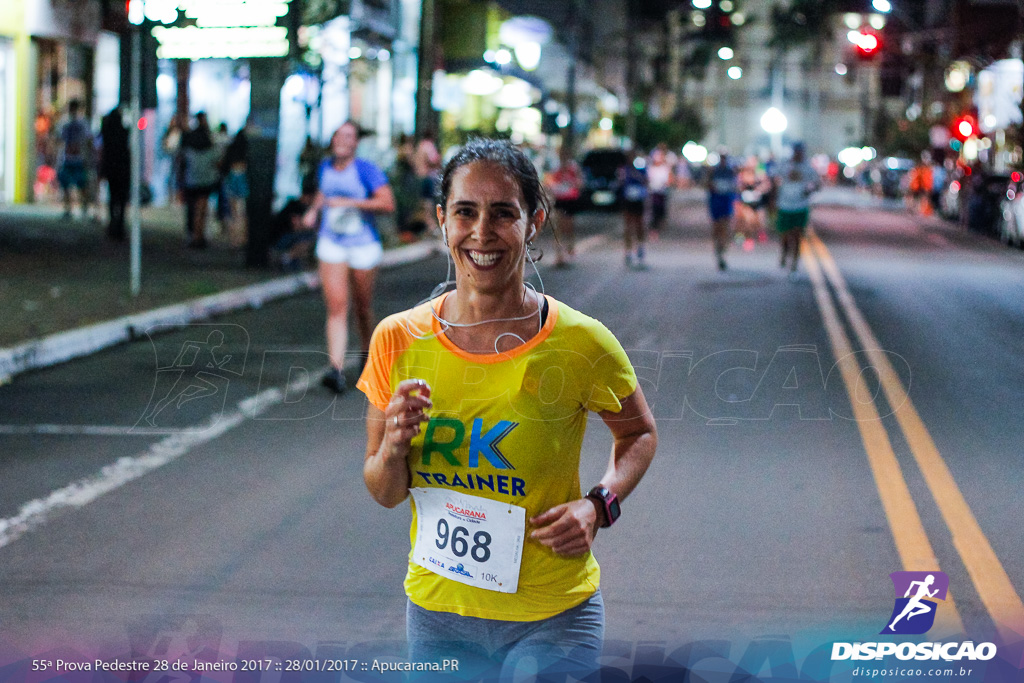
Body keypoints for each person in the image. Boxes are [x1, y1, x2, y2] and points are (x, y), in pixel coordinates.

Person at [356, 138, 657, 681]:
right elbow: (383, 490)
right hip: (437, 614)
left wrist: (598, 505)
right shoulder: (396, 339)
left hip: (553, 615)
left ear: (534, 221)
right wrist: (395, 447)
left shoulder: (582, 342)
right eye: (465, 212)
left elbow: (638, 435)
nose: (482, 233)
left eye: (503, 214)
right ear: (441, 220)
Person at [302, 121, 395, 394]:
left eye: (349, 136)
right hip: (332, 242)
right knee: (337, 307)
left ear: (355, 143)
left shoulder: (366, 170)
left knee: (362, 308)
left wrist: (350, 202)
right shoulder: (325, 167)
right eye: (339, 135)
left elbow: (387, 204)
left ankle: (368, 355)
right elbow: (323, 193)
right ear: (332, 140)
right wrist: (313, 211)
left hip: (363, 245)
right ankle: (336, 370)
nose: (343, 140)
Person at [770, 142, 820, 277]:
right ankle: (784, 253)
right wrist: (773, 197)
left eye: (801, 151)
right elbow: (773, 177)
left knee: (797, 236)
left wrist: (809, 189)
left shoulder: (808, 167)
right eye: (796, 151)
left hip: (800, 206)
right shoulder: (784, 164)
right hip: (785, 206)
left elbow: (817, 184)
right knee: (785, 236)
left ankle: (794, 265)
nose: (799, 154)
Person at [179, 112, 221, 248]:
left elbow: (182, 159)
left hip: (191, 179)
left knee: (191, 209)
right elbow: (217, 160)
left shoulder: (189, 141)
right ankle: (199, 235)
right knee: (202, 209)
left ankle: (193, 234)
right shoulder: (209, 143)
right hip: (205, 181)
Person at [543, 146, 583, 267]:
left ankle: (570, 249)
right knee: (558, 227)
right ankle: (559, 255)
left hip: (570, 199)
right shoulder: (555, 167)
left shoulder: (573, 167)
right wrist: (551, 188)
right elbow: (547, 182)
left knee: (569, 226)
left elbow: (580, 182)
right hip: (559, 199)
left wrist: (573, 184)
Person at [57, 100, 93, 219]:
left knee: (82, 185)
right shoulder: (65, 123)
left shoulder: (82, 123)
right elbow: (60, 140)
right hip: (68, 158)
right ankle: (69, 209)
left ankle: (84, 208)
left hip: (79, 158)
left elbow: (88, 140)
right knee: (66, 185)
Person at [99, 106, 130, 241]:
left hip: (111, 168)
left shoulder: (107, 132)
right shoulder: (123, 132)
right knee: (121, 198)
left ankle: (113, 223)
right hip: (122, 169)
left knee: (113, 197)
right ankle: (120, 224)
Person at [706, 152, 737, 271]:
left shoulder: (730, 172)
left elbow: (734, 187)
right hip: (716, 203)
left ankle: (722, 253)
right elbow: (708, 186)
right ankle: (718, 250)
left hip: (726, 203)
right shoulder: (714, 171)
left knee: (725, 228)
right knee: (716, 228)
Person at [219, 125, 249, 247]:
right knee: (242, 211)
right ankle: (242, 237)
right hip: (242, 177)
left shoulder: (231, 149)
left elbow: (224, 164)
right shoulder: (247, 150)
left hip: (232, 177)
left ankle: (234, 239)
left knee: (233, 211)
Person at [619, 149, 649, 269]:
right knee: (628, 226)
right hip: (628, 200)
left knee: (639, 224)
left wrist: (637, 175)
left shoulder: (641, 168)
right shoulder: (623, 170)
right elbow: (620, 183)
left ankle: (640, 247)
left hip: (638, 199)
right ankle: (628, 251)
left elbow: (646, 181)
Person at [646, 144, 675, 240]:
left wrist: (667, 182)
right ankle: (653, 230)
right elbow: (647, 179)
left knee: (661, 211)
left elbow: (670, 180)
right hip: (654, 192)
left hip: (662, 192)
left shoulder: (665, 168)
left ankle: (658, 226)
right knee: (654, 211)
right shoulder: (651, 168)